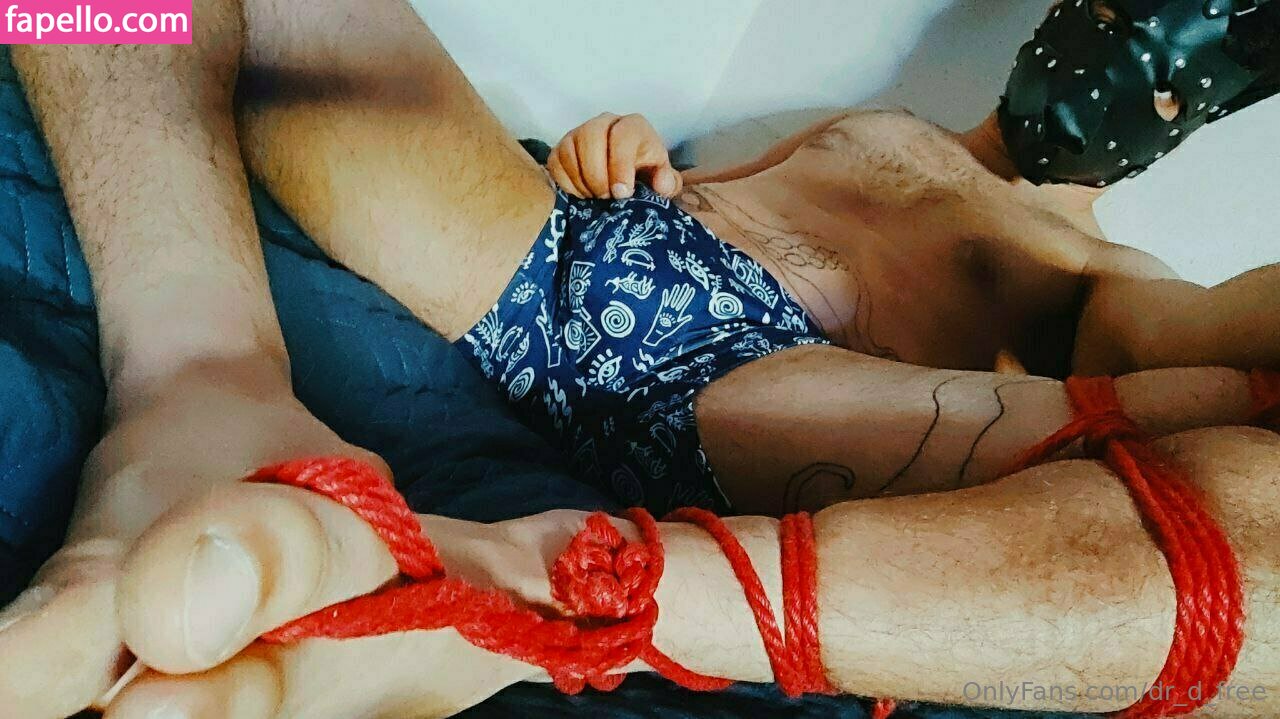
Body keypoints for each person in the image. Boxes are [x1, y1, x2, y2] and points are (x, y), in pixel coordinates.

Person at [0, 0, 1276, 717]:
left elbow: (1208, 358)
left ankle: (520, 589)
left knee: (1220, 401)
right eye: (1113, 15)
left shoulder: (1110, 270)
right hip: (579, 261)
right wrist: (615, 151)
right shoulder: (887, 125)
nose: (1124, 68)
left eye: (1175, 77)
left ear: (1194, 115)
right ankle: (196, 370)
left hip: (783, 398)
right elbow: (713, 177)